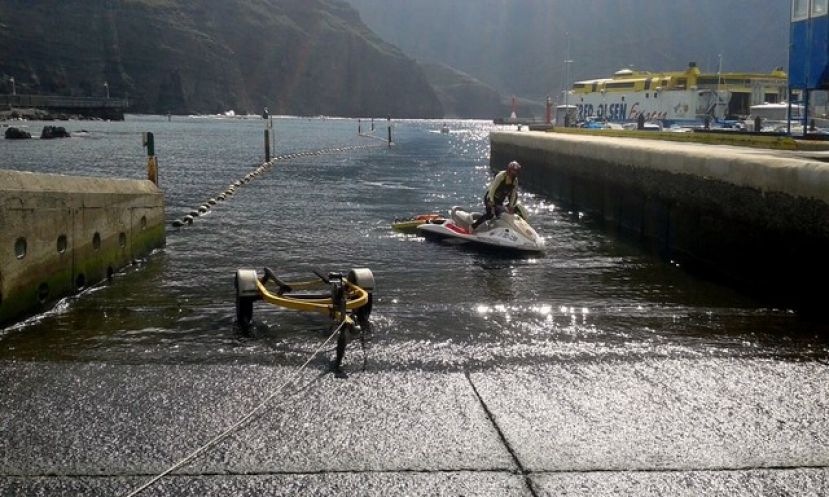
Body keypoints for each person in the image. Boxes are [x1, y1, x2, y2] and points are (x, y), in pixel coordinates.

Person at [470, 161, 521, 231]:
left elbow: (513, 195)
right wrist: (491, 201)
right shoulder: (501, 176)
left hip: (499, 201)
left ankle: (493, 230)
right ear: (509, 170)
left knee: (501, 216)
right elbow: (492, 189)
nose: (513, 173)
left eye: (515, 171)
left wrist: (511, 206)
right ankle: (473, 226)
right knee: (490, 215)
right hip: (490, 197)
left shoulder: (515, 181)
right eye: (512, 171)